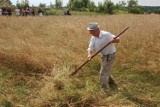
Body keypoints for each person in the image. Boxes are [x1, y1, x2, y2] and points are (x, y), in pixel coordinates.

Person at [87, 22, 120, 93]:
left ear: (97, 30)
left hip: (110, 55)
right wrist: (89, 54)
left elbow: (118, 40)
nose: (90, 33)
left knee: (103, 73)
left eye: (91, 31)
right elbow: (90, 47)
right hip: (103, 56)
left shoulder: (106, 35)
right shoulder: (93, 37)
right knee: (106, 70)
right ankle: (112, 84)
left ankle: (104, 90)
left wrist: (114, 40)